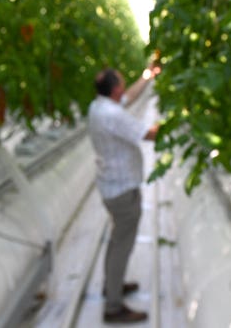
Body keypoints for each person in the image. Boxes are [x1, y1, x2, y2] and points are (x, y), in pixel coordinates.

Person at [87, 65, 160, 324]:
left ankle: (111, 286)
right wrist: (179, 121)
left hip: (111, 186)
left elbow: (130, 95)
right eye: (121, 81)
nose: (124, 84)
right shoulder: (113, 115)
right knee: (122, 245)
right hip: (122, 190)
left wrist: (147, 76)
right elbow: (149, 134)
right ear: (115, 88)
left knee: (116, 240)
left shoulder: (99, 106)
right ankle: (114, 306)